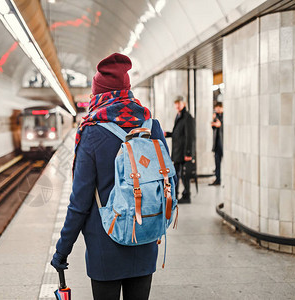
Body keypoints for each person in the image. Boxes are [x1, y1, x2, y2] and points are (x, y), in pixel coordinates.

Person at [50, 53, 175, 300]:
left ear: (98, 95)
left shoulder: (91, 132)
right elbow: (170, 180)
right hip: (145, 236)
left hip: (105, 245)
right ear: (127, 90)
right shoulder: (152, 125)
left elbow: (80, 202)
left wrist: (62, 250)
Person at [165, 97, 195, 203]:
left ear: (184, 104)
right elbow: (178, 133)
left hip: (183, 152)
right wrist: (168, 134)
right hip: (178, 151)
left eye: (179, 103)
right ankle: (175, 195)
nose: (177, 105)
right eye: (176, 103)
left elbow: (190, 136)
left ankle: (187, 196)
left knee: (184, 175)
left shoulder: (187, 117)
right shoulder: (178, 116)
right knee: (176, 173)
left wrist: (188, 153)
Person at [209, 102, 223, 186]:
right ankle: (218, 179)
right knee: (217, 163)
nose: (217, 110)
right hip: (217, 144)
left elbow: (220, 125)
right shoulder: (216, 116)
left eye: (218, 108)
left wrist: (219, 124)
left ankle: (221, 179)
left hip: (223, 143)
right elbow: (214, 126)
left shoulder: (224, 116)